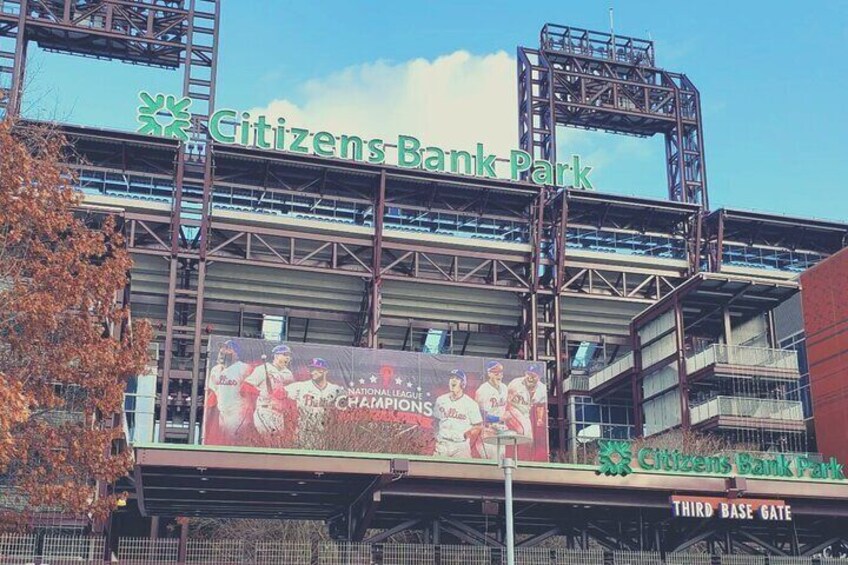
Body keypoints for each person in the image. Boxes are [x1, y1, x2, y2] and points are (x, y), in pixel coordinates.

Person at [284, 358, 346, 448]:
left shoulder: (335, 389)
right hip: (304, 432)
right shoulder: (301, 386)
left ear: (325, 371)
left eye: (317, 369)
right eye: (312, 369)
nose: (314, 372)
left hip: (325, 434)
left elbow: (345, 403)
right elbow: (279, 392)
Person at [240, 344, 295, 436]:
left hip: (279, 414)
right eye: (285, 354)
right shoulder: (263, 369)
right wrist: (261, 393)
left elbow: (291, 394)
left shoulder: (288, 374)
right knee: (269, 439)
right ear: (276, 356)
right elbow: (245, 386)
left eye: (289, 355)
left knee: (278, 444)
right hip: (265, 410)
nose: (287, 358)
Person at [205, 339, 252, 440]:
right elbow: (213, 393)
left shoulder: (244, 368)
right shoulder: (215, 370)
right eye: (221, 348)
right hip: (222, 414)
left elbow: (251, 392)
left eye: (227, 348)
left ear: (236, 354)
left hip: (238, 413)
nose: (222, 351)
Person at [433, 369, 483, 458]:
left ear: (463, 383)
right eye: (452, 378)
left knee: (463, 471)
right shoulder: (440, 400)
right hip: (443, 444)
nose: (453, 380)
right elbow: (435, 421)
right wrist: (437, 435)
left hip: (461, 446)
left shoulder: (470, 403)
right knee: (435, 470)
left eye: (457, 378)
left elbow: (478, 426)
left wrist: (466, 435)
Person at [507, 363, 548, 458]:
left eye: (533, 375)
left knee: (529, 438)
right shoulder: (515, 383)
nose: (530, 377)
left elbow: (540, 405)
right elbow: (505, 400)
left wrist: (539, 418)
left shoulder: (542, 388)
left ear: (540, 377)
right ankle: (518, 457)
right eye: (528, 374)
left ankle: (525, 459)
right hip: (513, 408)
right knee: (523, 431)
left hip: (525, 413)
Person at [475, 360, 510, 459]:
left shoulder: (504, 388)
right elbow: (479, 415)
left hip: (501, 431)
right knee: (491, 464)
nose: (499, 375)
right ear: (489, 373)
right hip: (487, 432)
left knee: (501, 461)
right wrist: (499, 418)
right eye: (496, 373)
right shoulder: (483, 390)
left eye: (500, 373)